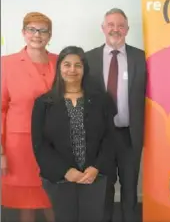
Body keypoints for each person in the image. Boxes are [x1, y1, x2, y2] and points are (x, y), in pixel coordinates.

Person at [31, 46, 115, 222]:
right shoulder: (44, 103)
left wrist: (95, 167)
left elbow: (110, 138)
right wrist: (65, 171)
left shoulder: (101, 100)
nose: (72, 70)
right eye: (67, 64)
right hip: (60, 179)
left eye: (78, 65)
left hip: (95, 176)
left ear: (84, 69)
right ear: (59, 67)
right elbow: (40, 145)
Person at [86, 8, 147, 222]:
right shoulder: (88, 58)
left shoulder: (141, 58)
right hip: (101, 138)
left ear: (127, 30)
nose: (115, 29)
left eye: (120, 25)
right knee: (104, 189)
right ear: (103, 28)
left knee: (130, 188)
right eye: (111, 25)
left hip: (129, 135)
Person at [1, 12, 56, 222]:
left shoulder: (60, 61)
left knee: (53, 197)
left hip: (54, 143)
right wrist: (1, 151)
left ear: (50, 35)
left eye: (43, 30)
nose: (37, 35)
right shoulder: (7, 64)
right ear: (23, 33)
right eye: (32, 29)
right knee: (27, 202)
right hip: (21, 145)